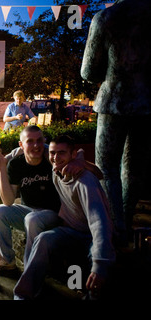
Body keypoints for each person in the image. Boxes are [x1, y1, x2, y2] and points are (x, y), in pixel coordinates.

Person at [0, 125, 103, 273]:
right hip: (29, 210)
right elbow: (8, 201)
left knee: (32, 219)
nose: (36, 145)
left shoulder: (52, 159)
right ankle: (6, 259)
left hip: (54, 214)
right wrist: (1, 170)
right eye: (30, 141)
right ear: (21, 145)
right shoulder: (16, 164)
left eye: (39, 140)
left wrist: (80, 161)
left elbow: (97, 173)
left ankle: (31, 269)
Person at [80, 0, 151, 244]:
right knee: (134, 167)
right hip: (146, 103)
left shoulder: (105, 18)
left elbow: (88, 71)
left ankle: (115, 228)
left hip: (113, 101)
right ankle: (127, 221)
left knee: (107, 167)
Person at [13, 135, 116, 300]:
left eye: (61, 153)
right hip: (70, 231)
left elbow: (100, 223)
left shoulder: (84, 181)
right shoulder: (56, 171)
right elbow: (31, 149)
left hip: (90, 236)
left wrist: (99, 265)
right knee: (43, 239)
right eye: (53, 153)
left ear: (72, 155)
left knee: (98, 271)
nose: (55, 157)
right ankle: (23, 295)